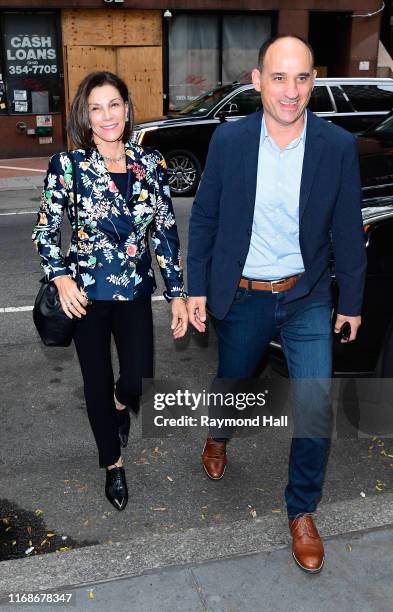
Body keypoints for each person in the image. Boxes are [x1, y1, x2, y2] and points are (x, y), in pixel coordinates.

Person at [187, 36, 366, 573]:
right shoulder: (230, 141)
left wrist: (350, 301)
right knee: (233, 381)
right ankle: (218, 435)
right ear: (256, 79)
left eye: (302, 78)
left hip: (306, 295)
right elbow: (206, 219)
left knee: (315, 404)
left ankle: (302, 511)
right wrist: (197, 287)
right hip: (242, 294)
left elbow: (346, 231)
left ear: (314, 80)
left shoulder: (336, 146)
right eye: (279, 78)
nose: (291, 91)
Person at [32, 71, 188, 511]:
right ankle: (113, 464)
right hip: (84, 296)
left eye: (114, 104)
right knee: (96, 382)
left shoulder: (150, 163)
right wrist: (61, 276)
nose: (106, 116)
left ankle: (122, 407)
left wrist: (176, 292)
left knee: (136, 378)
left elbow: (165, 232)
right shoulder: (69, 166)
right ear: (85, 114)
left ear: (126, 108)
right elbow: (46, 229)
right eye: (96, 107)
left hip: (135, 291)